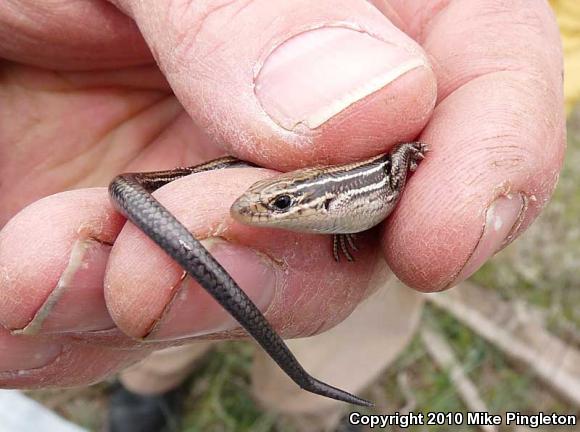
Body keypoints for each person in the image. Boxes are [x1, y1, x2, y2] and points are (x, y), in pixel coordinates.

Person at [0, 1, 566, 431]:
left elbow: (398, 166)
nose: (261, 208)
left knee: (366, 288)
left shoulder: (357, 196)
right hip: (299, 88)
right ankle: (152, 383)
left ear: (317, 203)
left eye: (281, 204)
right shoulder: (321, 201)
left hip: (484, 70)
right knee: (195, 276)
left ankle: (303, 404)